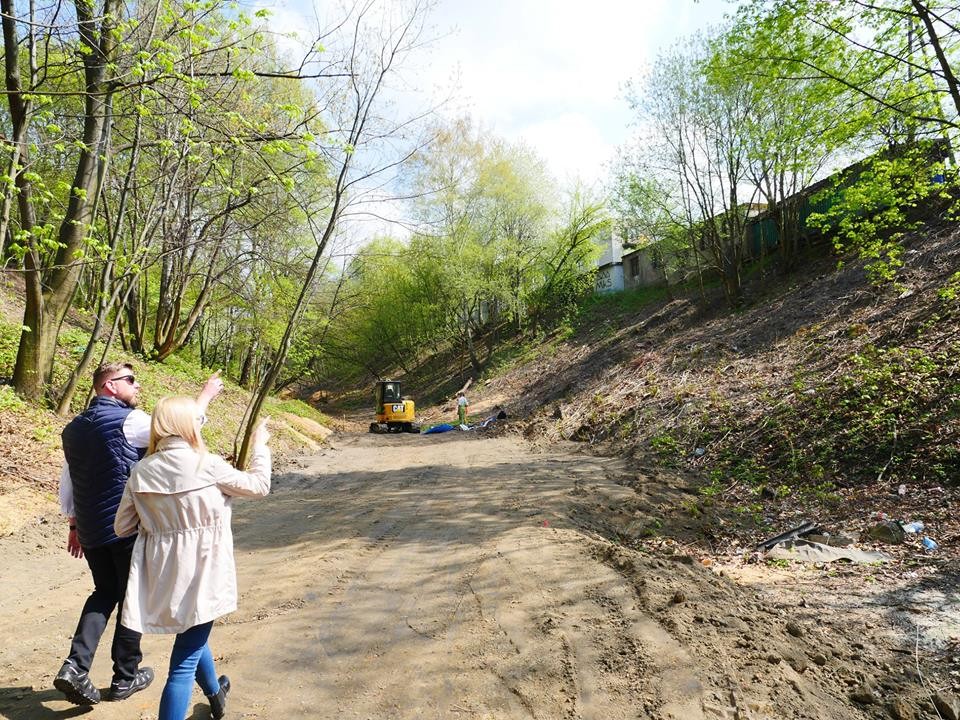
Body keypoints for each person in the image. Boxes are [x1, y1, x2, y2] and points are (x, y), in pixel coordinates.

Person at [54, 362, 224, 705]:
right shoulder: (128, 421)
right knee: (133, 600)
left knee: (104, 593)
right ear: (109, 386)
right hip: (125, 525)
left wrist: (73, 524)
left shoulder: (73, 429)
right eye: (130, 380)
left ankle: (74, 666)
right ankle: (125, 677)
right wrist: (205, 396)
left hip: (90, 528)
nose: (137, 386)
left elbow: (68, 478)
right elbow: (182, 429)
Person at [114, 397, 271, 720]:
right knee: (183, 661)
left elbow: (122, 527)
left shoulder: (141, 471)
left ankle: (215, 693)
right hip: (203, 570)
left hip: (162, 574)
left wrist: (157, 520)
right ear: (188, 426)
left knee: (192, 634)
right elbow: (259, 486)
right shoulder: (206, 464)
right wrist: (259, 446)